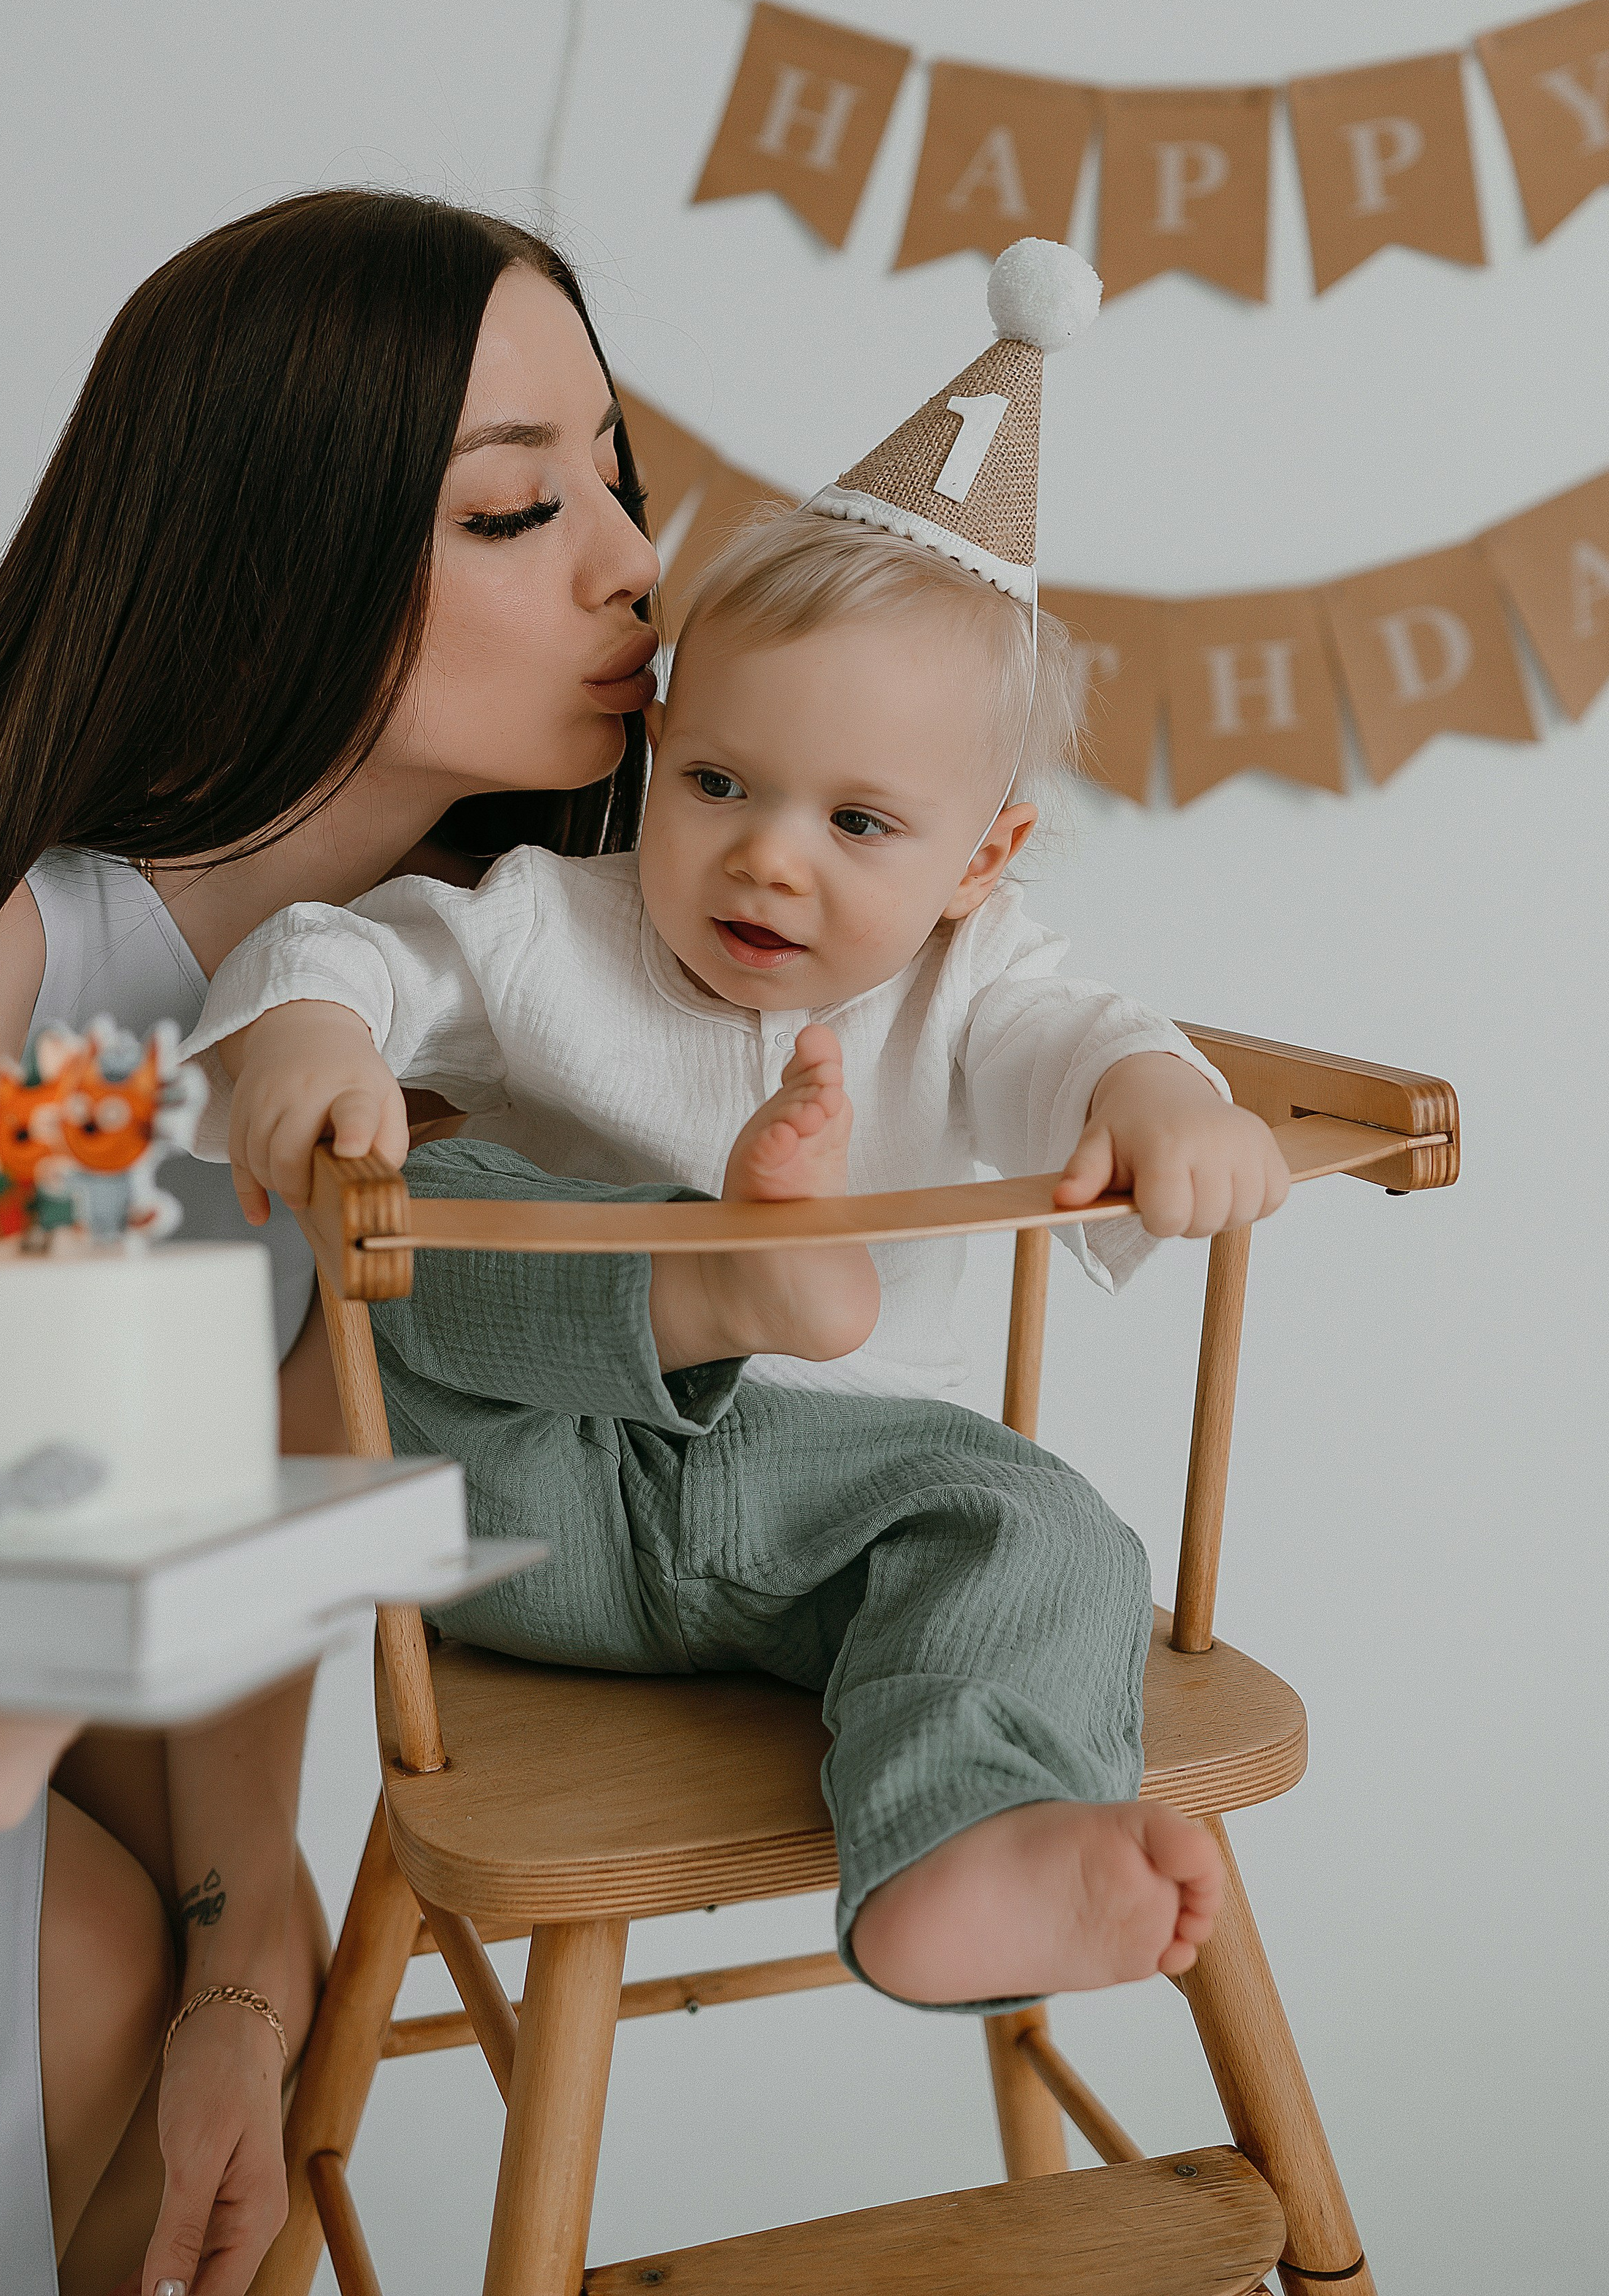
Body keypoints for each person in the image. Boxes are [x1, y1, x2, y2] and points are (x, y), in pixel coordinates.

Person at [0, 188, 778, 2295]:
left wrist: (245, 1923)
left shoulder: (405, 1005)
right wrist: (181, 1909)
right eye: (514, 510)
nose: (632, 562)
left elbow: (265, 1474)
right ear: (277, 546)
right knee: (91, 1959)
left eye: (618, 477)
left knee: (240, 2029)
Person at [174, 498, 1289, 2010]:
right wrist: (311, 1033)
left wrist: (1156, 1101)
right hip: (530, 1488)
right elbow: (337, 947)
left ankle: (966, 1842)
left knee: (1043, 1531)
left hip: (832, 1507)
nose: (766, 858)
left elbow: (1082, 1042)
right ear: (657, 754)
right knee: (428, 1202)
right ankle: (714, 1276)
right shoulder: (543, 926)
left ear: (982, 856)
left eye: (855, 823)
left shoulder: (975, 980)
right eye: (715, 782)